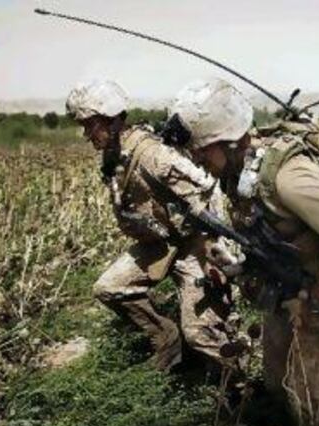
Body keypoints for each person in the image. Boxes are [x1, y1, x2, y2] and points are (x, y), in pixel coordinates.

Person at [168, 78, 319, 426]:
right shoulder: (237, 174)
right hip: (292, 291)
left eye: (203, 150)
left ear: (234, 141)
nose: (197, 158)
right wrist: (238, 267)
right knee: (278, 385)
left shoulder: (288, 176)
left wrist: (313, 304)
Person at [65, 80, 235, 371]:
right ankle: (166, 339)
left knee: (200, 334)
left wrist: (218, 254)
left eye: (90, 125)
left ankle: (239, 385)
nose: (86, 134)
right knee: (109, 288)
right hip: (160, 243)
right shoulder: (114, 153)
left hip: (195, 243)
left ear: (112, 118)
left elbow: (208, 193)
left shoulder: (153, 154)